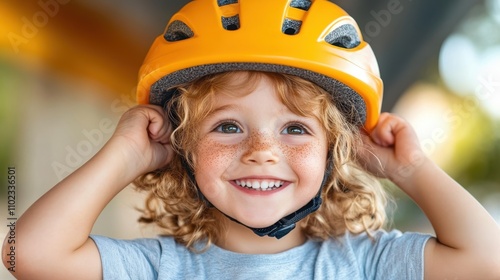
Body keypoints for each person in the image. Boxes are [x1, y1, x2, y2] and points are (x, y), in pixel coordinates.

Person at [4, 0, 500, 279]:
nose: (261, 150)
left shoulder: (366, 262)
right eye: (227, 126)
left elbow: (486, 259)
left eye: (295, 129)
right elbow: (27, 255)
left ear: (337, 151)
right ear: (182, 144)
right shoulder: (159, 268)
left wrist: (408, 168)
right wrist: (125, 154)